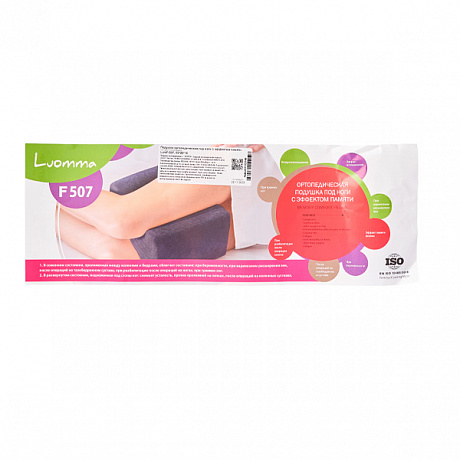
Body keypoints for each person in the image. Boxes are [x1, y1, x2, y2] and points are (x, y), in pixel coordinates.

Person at [58, 144, 266, 259]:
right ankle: (48, 180)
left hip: (264, 219)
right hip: (254, 164)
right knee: (122, 219)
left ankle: (46, 196)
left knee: (112, 251)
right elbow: (121, 219)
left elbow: (109, 250)